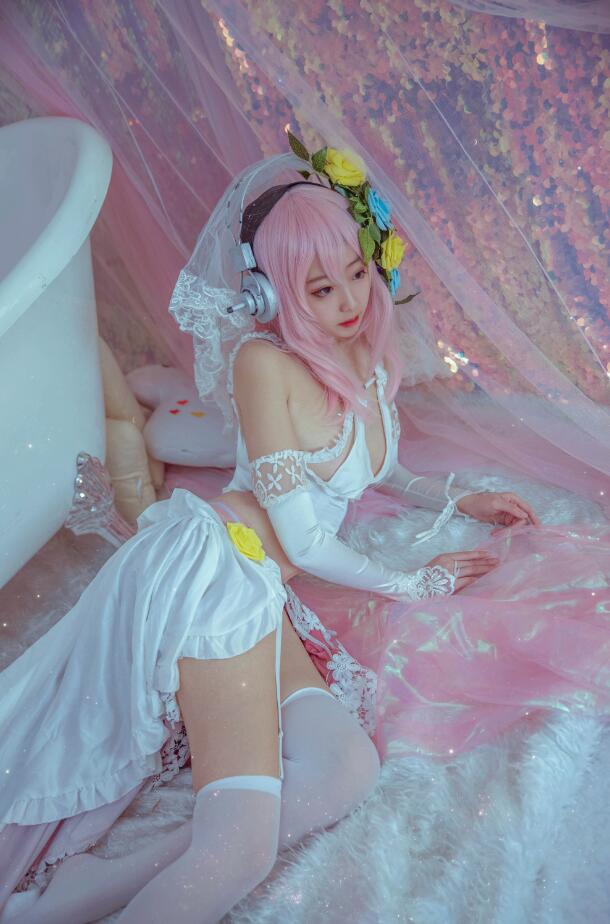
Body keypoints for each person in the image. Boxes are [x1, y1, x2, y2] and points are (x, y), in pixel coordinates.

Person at [0, 142, 608, 924]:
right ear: (267, 292)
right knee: (238, 853)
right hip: (214, 569)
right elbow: (307, 541)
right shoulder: (265, 366)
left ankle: (80, 894)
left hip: (255, 582)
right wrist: (415, 580)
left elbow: (372, 467)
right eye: (320, 288)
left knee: (343, 772)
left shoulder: (361, 356)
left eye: (355, 272)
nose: (349, 300)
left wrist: (464, 497)